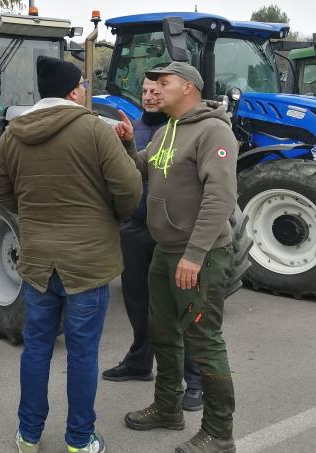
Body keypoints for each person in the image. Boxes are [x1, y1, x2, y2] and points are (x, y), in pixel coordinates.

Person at [0, 55, 143, 453]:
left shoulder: (14, 134)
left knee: (36, 349)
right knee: (82, 355)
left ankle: (28, 435)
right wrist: (111, 214)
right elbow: (129, 191)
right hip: (87, 265)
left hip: (38, 262)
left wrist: (32, 212)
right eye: (83, 87)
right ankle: (79, 440)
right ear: (74, 90)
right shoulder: (94, 130)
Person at [115, 62, 238, 453]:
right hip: (165, 252)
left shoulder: (214, 131)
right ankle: (168, 408)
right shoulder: (168, 129)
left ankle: (219, 434)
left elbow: (221, 197)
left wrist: (195, 254)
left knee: (204, 343)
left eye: (164, 83)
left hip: (197, 257)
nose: (155, 89)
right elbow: (142, 168)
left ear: (188, 87)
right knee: (163, 334)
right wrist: (126, 143)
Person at [103, 78, 205, 412]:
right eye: (145, 90)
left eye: (156, 89)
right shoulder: (132, 130)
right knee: (137, 301)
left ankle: (195, 380)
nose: (150, 95)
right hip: (135, 228)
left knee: (182, 309)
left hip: (173, 236)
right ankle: (139, 361)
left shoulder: (184, 131)